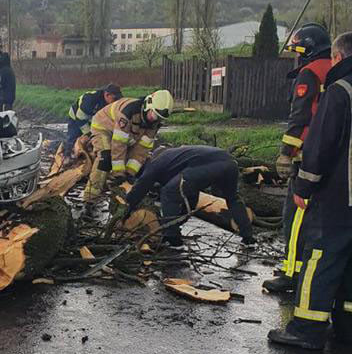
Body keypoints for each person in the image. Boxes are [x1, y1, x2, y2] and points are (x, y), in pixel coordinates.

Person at [268, 31, 352, 350]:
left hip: (337, 193)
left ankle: (307, 328)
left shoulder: (337, 88)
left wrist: (302, 181)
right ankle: (347, 328)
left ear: (339, 57)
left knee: (321, 255)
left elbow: (318, 139)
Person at [263, 23, 332, 294]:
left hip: (306, 157)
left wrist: (286, 152)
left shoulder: (309, 73)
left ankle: (292, 273)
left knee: (295, 215)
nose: (297, 55)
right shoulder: (336, 70)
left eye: (299, 49)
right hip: (331, 157)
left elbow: (301, 116)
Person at [124, 146, 255, 248]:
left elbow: (141, 187)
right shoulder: (174, 158)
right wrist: (177, 220)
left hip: (211, 165)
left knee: (169, 193)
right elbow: (190, 196)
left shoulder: (155, 164)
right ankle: (248, 237)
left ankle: (172, 239)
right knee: (232, 199)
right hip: (230, 163)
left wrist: (126, 207)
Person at [83, 89, 173, 204]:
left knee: (142, 162)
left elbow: (142, 150)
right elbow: (119, 144)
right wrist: (119, 173)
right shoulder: (129, 111)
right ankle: (89, 199)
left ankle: (116, 195)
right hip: (103, 127)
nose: (153, 119)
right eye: (154, 115)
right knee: (105, 158)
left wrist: (130, 172)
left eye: (158, 118)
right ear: (148, 105)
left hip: (125, 134)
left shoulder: (154, 124)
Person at [64, 84, 123, 158]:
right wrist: (89, 134)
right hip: (76, 118)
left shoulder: (109, 103)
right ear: (107, 95)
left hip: (92, 120)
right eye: (114, 99)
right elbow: (80, 119)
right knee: (73, 138)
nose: (115, 102)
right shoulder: (90, 99)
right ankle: (67, 157)